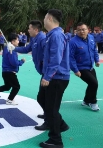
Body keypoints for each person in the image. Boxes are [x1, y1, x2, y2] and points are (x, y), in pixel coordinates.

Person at [37, 9, 71, 148]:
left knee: (51, 109)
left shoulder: (56, 35)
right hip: (53, 76)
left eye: (45, 17)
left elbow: (56, 58)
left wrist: (47, 76)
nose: (44, 20)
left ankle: (56, 140)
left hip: (57, 77)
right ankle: (60, 125)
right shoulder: (52, 35)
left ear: (50, 19)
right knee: (42, 99)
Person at [13, 21, 50, 126]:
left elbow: (48, 55)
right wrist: (14, 48)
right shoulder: (34, 39)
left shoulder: (42, 39)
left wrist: (46, 72)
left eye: (29, 28)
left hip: (47, 73)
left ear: (36, 30)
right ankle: (47, 115)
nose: (28, 30)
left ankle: (49, 119)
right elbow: (26, 49)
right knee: (42, 97)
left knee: (43, 97)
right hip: (43, 71)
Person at [0, 33, 26, 104]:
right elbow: (14, 62)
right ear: (13, 41)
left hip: (5, 71)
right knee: (16, 87)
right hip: (10, 72)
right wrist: (21, 61)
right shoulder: (11, 50)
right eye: (17, 40)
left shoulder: (6, 48)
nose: (18, 41)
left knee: (7, 86)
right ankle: (10, 100)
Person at [69, 22, 100, 111]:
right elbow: (70, 57)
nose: (81, 31)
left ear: (88, 30)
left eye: (83, 29)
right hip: (81, 68)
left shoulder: (91, 38)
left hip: (90, 66)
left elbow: (94, 50)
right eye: (79, 30)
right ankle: (93, 102)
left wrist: (97, 60)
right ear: (76, 31)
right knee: (94, 83)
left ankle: (86, 101)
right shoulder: (73, 42)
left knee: (92, 83)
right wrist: (75, 70)